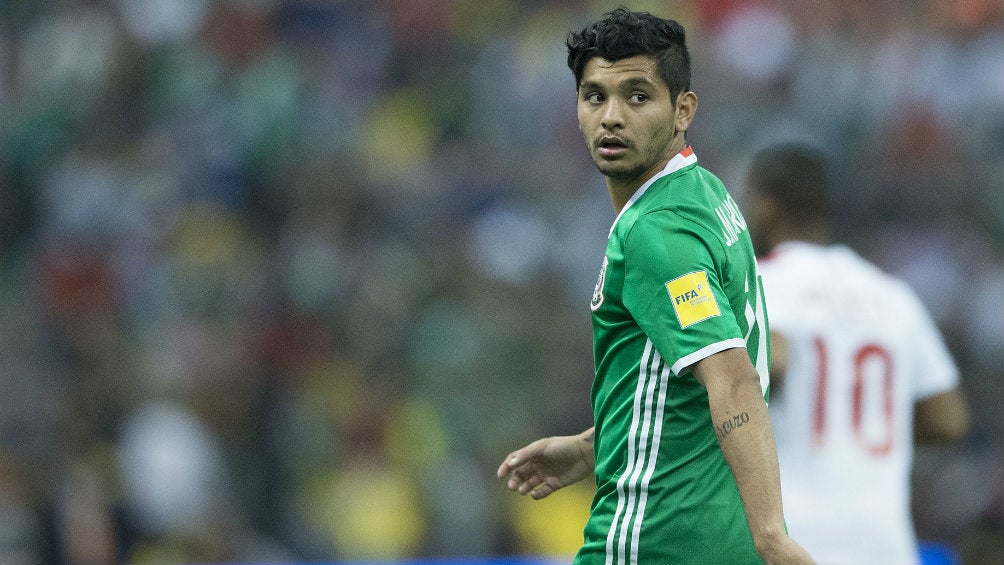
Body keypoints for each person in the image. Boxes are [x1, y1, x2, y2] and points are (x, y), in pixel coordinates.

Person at [496, 9, 814, 565]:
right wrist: (589, 450)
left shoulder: (654, 233)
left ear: (682, 110)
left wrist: (772, 537)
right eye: (594, 96)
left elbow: (734, 381)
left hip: (652, 538)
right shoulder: (704, 193)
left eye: (638, 96)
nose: (611, 118)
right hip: (715, 537)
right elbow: (681, 392)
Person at [746, 142, 971, 565]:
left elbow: (774, 360)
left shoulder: (759, 282)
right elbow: (948, 418)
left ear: (765, 207)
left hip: (791, 541)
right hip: (884, 543)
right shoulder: (892, 295)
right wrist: (858, 427)